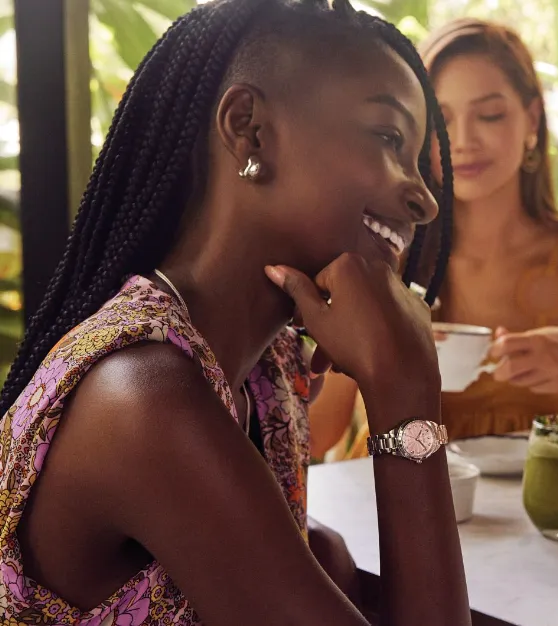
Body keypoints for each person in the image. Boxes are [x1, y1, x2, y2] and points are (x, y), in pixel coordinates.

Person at [0, 0, 470, 624]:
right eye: (388, 138)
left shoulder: (264, 365)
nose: (423, 198)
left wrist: (315, 555)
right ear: (248, 129)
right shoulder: (141, 395)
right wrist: (407, 393)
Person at [310, 17, 558, 460]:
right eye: (442, 120)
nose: (463, 141)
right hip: (386, 507)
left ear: (532, 117)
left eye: (490, 115)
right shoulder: (386, 253)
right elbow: (313, 438)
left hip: (525, 519)